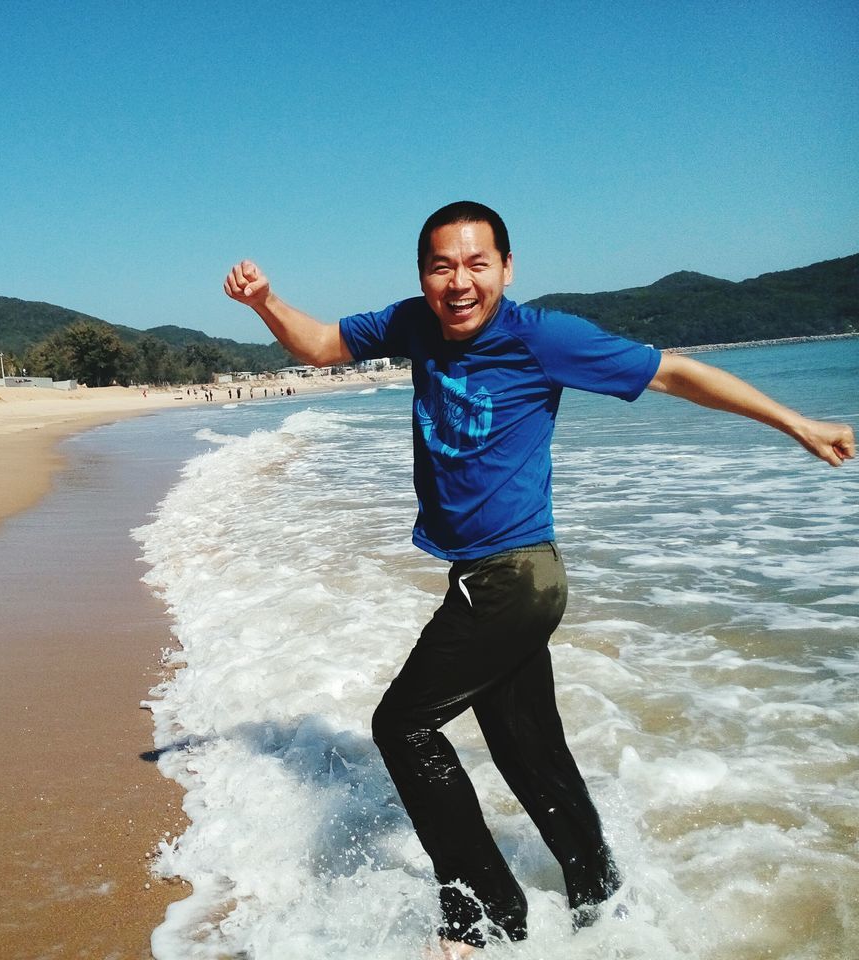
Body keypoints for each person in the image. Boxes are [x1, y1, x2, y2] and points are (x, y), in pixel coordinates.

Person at [223, 201, 854, 957]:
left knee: (401, 725)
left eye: (476, 264)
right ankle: (604, 906)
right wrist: (265, 304)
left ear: (506, 268)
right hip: (496, 577)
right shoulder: (413, 321)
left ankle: (485, 918)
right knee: (529, 752)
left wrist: (799, 423)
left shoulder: (542, 337)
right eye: (441, 265)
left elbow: (674, 374)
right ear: (423, 273)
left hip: (517, 577)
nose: (459, 282)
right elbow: (322, 344)